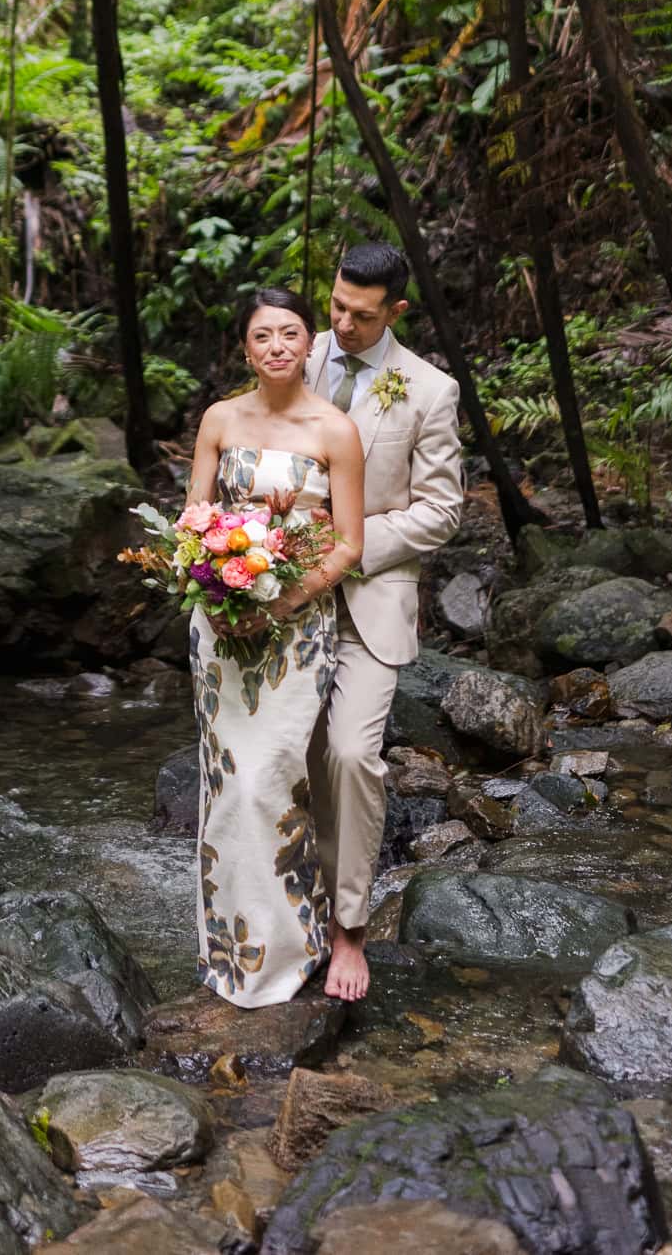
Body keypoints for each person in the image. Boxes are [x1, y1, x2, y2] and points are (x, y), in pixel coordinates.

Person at [184, 288, 364, 1008]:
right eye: (263, 336)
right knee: (227, 788)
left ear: (309, 343)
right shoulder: (220, 419)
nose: (278, 346)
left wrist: (284, 599)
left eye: (291, 333)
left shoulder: (335, 430)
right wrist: (212, 592)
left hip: (295, 631)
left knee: (270, 781)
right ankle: (229, 951)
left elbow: (349, 542)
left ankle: (298, 946)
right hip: (221, 630)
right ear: (246, 348)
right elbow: (192, 522)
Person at [305, 242, 463, 1002]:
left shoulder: (430, 390)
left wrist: (350, 549)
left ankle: (349, 930)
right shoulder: (296, 358)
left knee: (350, 756)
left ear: (396, 310)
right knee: (289, 762)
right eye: (335, 305)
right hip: (282, 598)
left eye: (360, 316)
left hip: (368, 602)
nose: (341, 324)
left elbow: (442, 511)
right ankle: (282, 914)